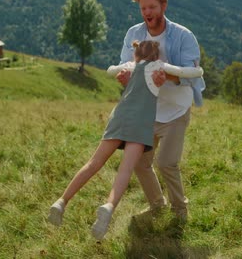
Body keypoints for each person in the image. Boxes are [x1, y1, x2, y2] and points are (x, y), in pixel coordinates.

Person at [48, 40, 203, 241]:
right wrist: (196, 69)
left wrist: (122, 69)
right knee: (126, 169)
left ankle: (61, 201)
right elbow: (189, 73)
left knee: (94, 162)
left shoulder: (130, 66)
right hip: (140, 123)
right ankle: (109, 206)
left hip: (119, 117)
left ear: (135, 56)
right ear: (157, 57)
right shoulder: (159, 67)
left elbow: (111, 70)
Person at [116, 0, 205, 223]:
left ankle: (180, 210)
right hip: (147, 111)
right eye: (143, 8)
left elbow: (191, 75)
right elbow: (127, 65)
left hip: (175, 110)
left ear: (163, 6)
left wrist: (169, 77)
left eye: (152, 7)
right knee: (139, 162)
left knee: (166, 163)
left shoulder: (183, 36)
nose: (147, 13)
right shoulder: (134, 34)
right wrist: (125, 80)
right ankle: (157, 205)